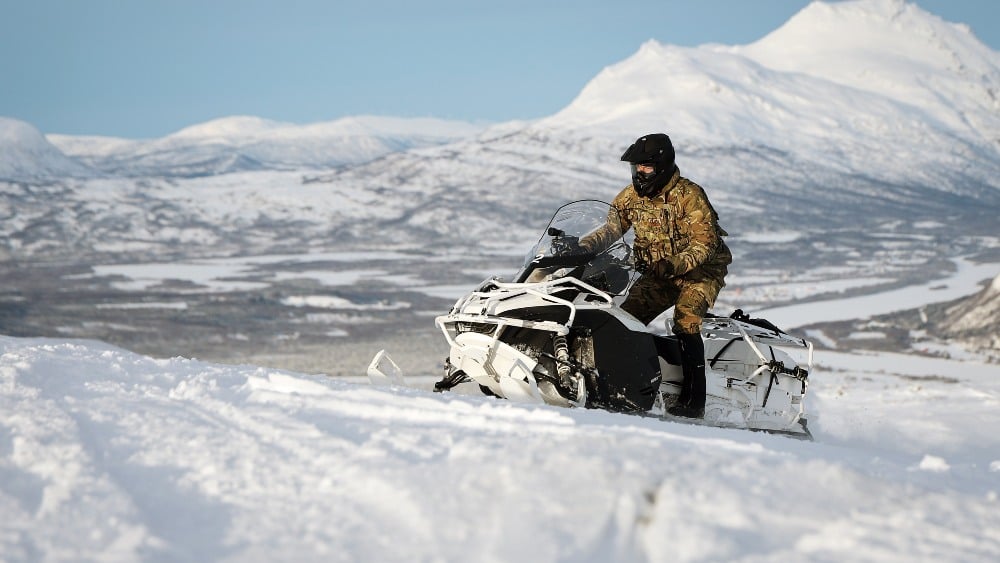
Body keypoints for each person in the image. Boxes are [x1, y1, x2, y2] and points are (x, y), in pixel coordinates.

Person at [580, 133, 732, 418]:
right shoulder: (630, 197)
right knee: (626, 319)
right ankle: (627, 383)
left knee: (685, 318)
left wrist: (672, 265)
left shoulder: (690, 196)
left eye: (645, 167)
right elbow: (611, 230)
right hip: (660, 272)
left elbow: (705, 244)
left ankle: (694, 400)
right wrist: (580, 247)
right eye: (636, 167)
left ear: (662, 165)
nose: (639, 173)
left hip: (701, 271)